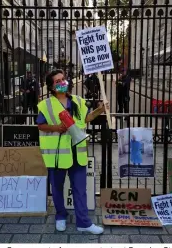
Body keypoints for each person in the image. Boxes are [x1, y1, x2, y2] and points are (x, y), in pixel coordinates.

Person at [37, 69, 108, 234]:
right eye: (58, 81)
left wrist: (100, 109)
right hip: (58, 155)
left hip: (78, 152)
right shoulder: (46, 105)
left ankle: (84, 222)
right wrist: (57, 128)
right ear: (52, 87)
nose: (62, 83)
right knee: (57, 188)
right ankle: (60, 216)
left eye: (63, 79)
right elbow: (40, 125)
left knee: (80, 189)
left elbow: (86, 118)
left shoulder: (77, 100)